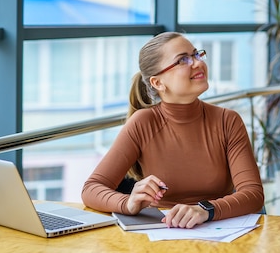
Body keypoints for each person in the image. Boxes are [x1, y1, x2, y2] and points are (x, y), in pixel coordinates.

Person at [82, 32, 264, 228]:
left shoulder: (227, 120)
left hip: (222, 231)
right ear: (157, 82)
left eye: (196, 54)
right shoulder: (143, 123)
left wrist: (205, 210)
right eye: (183, 60)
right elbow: (91, 189)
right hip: (161, 232)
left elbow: (253, 194)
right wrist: (128, 203)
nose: (197, 63)